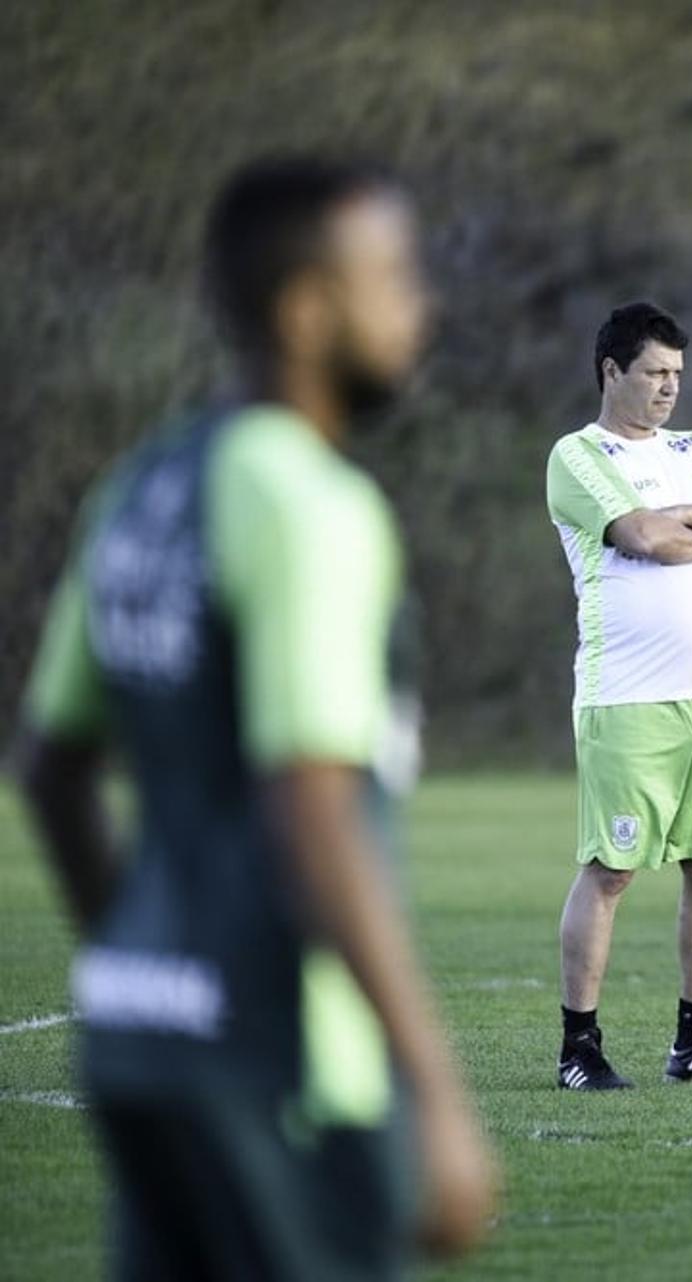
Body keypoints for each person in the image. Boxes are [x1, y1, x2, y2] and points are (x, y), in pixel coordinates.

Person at [15, 156, 497, 1278]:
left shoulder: (145, 484)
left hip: (143, 1041)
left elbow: (49, 762)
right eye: (393, 274)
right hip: (281, 1069)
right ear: (306, 308)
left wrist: (138, 952)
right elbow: (314, 807)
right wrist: (433, 1088)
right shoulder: (307, 503)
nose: (419, 304)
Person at [546, 301, 692, 1089]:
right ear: (611, 371)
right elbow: (643, 540)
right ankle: (578, 1048)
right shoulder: (579, 456)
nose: (667, 388)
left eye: (677, 374)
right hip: (628, 699)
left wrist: (688, 513)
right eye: (653, 372)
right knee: (611, 872)